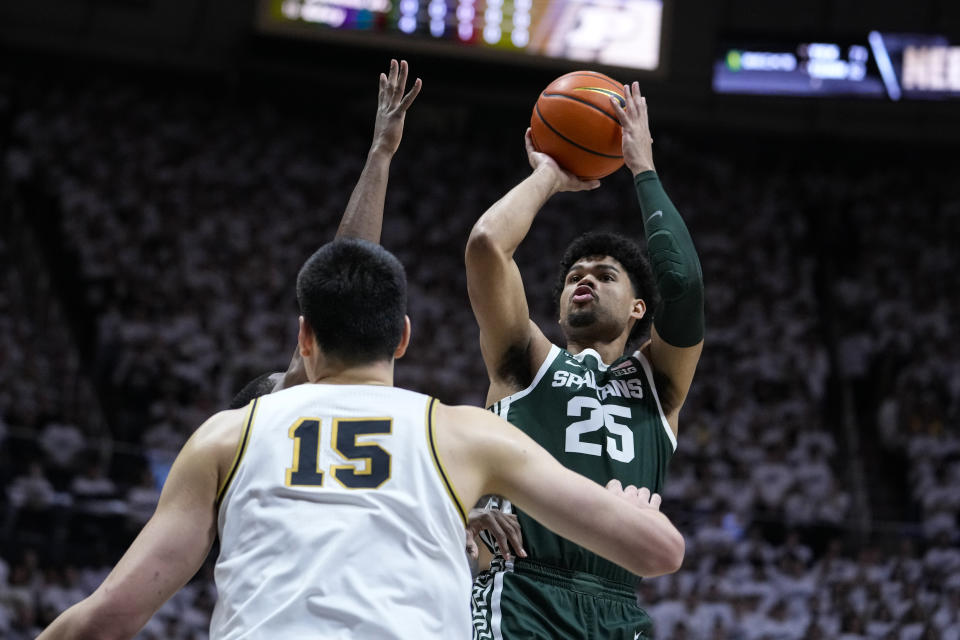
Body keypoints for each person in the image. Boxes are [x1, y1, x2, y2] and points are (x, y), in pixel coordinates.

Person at [38, 237, 684, 640]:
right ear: (402, 337)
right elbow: (657, 553)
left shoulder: (225, 436)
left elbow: (107, 621)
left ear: (304, 338)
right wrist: (633, 508)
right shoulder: (463, 433)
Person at [465, 82, 704, 639]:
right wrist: (549, 173)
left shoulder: (660, 383)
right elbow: (485, 246)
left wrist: (642, 166)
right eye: (575, 275)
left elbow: (684, 285)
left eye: (604, 275)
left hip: (620, 608)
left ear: (638, 307)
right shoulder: (526, 360)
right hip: (521, 592)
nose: (584, 281)